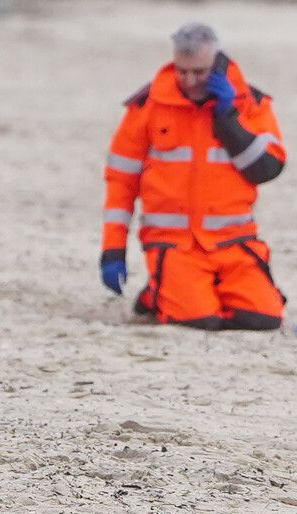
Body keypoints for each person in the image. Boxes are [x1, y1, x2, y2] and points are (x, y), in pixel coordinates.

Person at [99, 22, 287, 331]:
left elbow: (267, 169)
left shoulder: (249, 103)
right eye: (181, 71)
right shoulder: (148, 106)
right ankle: (160, 292)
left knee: (263, 319)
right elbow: (121, 182)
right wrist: (112, 250)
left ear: (216, 65)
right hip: (175, 245)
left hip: (234, 243)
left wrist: (228, 119)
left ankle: (179, 290)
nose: (189, 80)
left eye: (199, 72)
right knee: (199, 321)